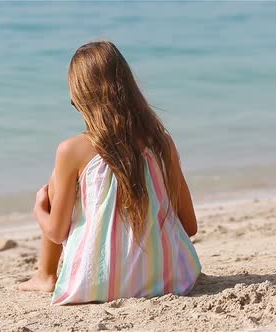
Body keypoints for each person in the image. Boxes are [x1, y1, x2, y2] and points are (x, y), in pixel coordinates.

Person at [18, 41, 201, 305]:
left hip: (95, 285)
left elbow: (56, 233)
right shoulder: (162, 143)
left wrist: (38, 207)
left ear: (80, 98)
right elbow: (190, 226)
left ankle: (45, 275)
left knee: (55, 183)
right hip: (171, 277)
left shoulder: (72, 150)